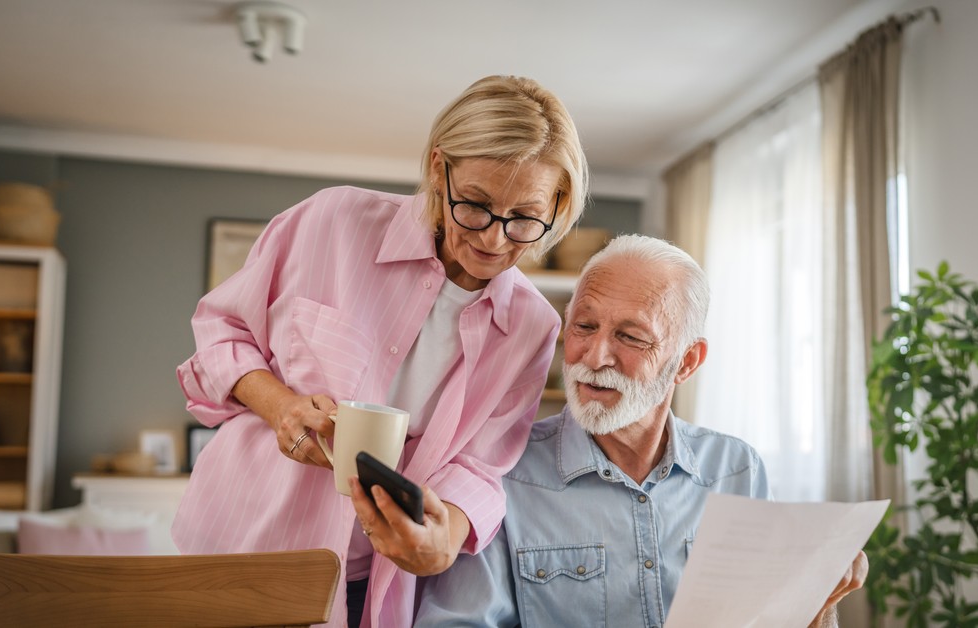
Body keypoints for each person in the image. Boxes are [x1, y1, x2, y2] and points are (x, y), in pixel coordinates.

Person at [171, 75, 588, 628]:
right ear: (440, 169)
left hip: (368, 586)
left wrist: (446, 538)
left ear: (558, 204)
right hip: (238, 547)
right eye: (477, 205)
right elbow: (221, 331)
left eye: (525, 217)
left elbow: (481, 468)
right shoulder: (332, 222)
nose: (494, 239)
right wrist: (281, 406)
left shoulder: (531, 327)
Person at [415, 234, 867, 627]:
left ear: (686, 362)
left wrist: (818, 606)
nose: (594, 358)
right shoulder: (501, 473)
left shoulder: (738, 470)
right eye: (584, 327)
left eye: (630, 337)